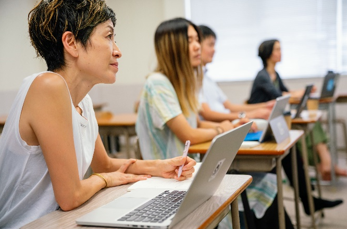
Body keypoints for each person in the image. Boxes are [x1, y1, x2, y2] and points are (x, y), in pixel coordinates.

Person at [0, 1, 196, 228]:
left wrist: (159, 167)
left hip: (57, 221)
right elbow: (71, 196)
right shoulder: (48, 85)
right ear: (71, 43)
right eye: (108, 36)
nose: (117, 50)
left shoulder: (83, 100)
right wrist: (103, 180)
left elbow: (104, 164)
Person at [136, 17, 295, 229]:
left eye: (197, 40)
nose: (197, 46)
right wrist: (223, 128)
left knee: (264, 182)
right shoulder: (158, 83)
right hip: (170, 181)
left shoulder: (181, 83)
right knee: (252, 186)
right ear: (172, 46)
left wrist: (234, 125)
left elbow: (197, 123)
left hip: (189, 172)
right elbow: (188, 135)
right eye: (190, 40)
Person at [249, 39, 347, 180]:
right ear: (268, 53)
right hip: (264, 121)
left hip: (275, 117)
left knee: (311, 126)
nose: (280, 52)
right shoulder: (262, 76)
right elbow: (279, 95)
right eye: (277, 49)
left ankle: (325, 163)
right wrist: (301, 92)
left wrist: (301, 92)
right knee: (303, 133)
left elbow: (286, 92)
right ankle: (325, 163)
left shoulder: (275, 74)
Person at [198, 25, 274, 122]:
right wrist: (249, 115)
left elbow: (230, 107)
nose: (214, 49)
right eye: (210, 45)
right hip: (221, 123)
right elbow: (208, 115)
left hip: (228, 121)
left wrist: (265, 105)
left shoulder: (208, 80)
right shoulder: (194, 80)